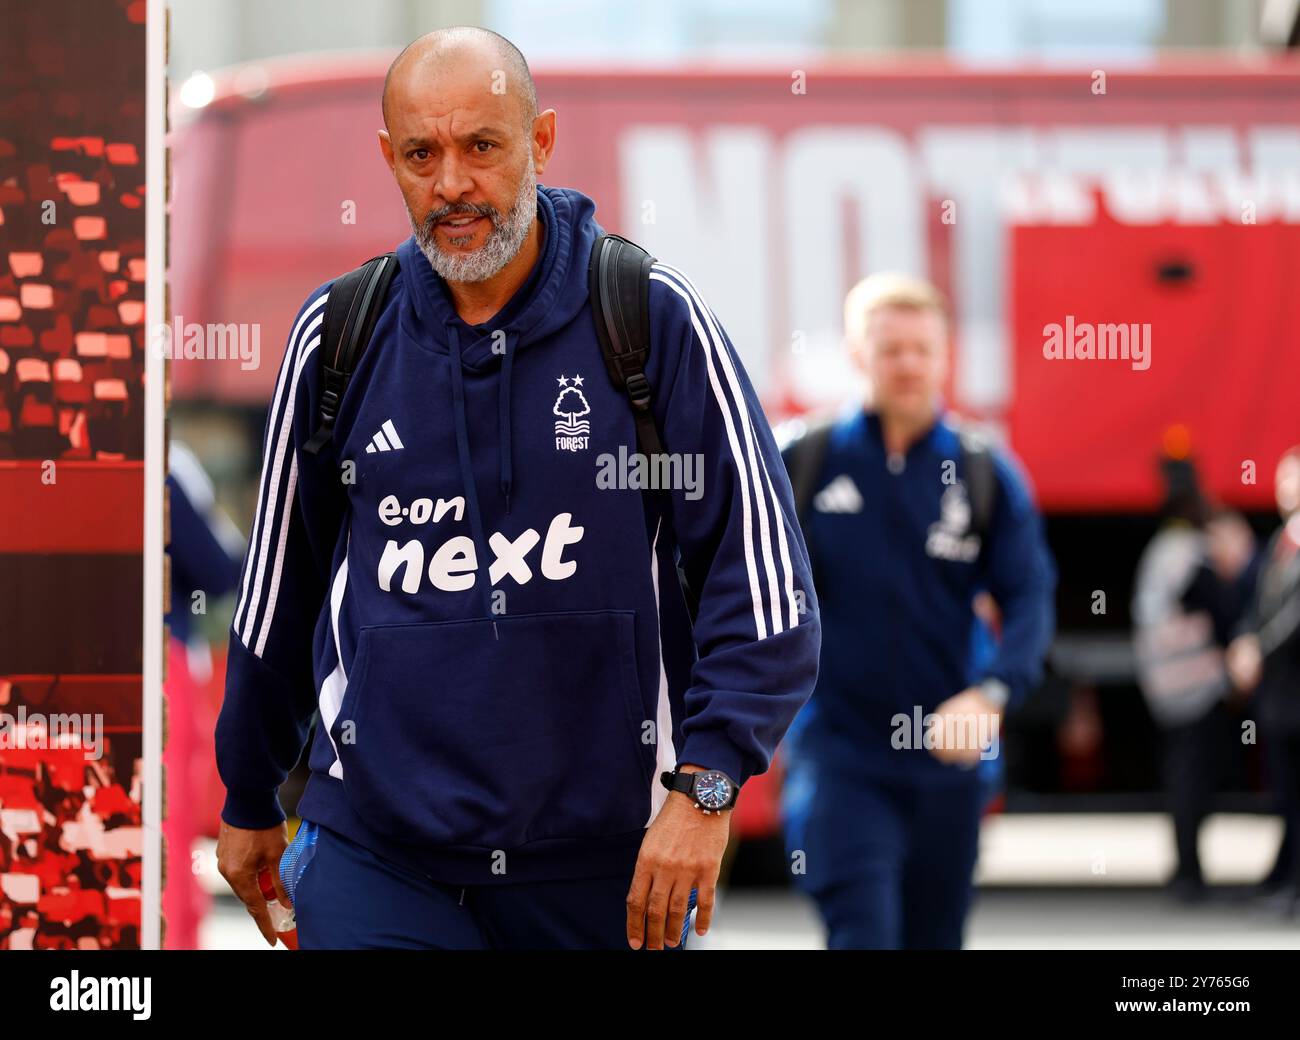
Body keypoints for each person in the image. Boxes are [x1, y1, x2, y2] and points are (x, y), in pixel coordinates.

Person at [213, 26, 820, 951]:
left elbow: (765, 587)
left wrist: (705, 789)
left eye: (481, 146)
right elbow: (278, 591)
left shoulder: (651, 319)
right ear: (388, 159)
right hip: (379, 860)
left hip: (605, 873)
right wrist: (249, 788)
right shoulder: (341, 330)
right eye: (422, 153)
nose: (452, 182)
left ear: (539, 142)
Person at [778, 272, 1055, 950]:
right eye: (889, 347)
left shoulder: (983, 469)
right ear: (855, 352)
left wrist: (992, 694)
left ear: (944, 356)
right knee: (864, 934)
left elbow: (1029, 595)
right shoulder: (801, 459)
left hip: (950, 766)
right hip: (838, 756)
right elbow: (728, 584)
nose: (907, 363)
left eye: (921, 349)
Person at [1132, 453, 1259, 902]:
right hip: (1193, 687)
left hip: (1165, 686)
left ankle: (1187, 867)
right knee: (1192, 780)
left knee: (1183, 777)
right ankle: (1189, 872)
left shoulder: (1162, 550)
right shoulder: (1191, 555)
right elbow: (1226, 612)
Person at [1228, 446, 1300, 915]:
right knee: (1286, 792)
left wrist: (1260, 647)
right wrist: (1242, 641)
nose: (1282, 488)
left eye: (1292, 479)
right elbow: (1256, 607)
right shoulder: (1279, 542)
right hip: (1278, 700)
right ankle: (1286, 877)